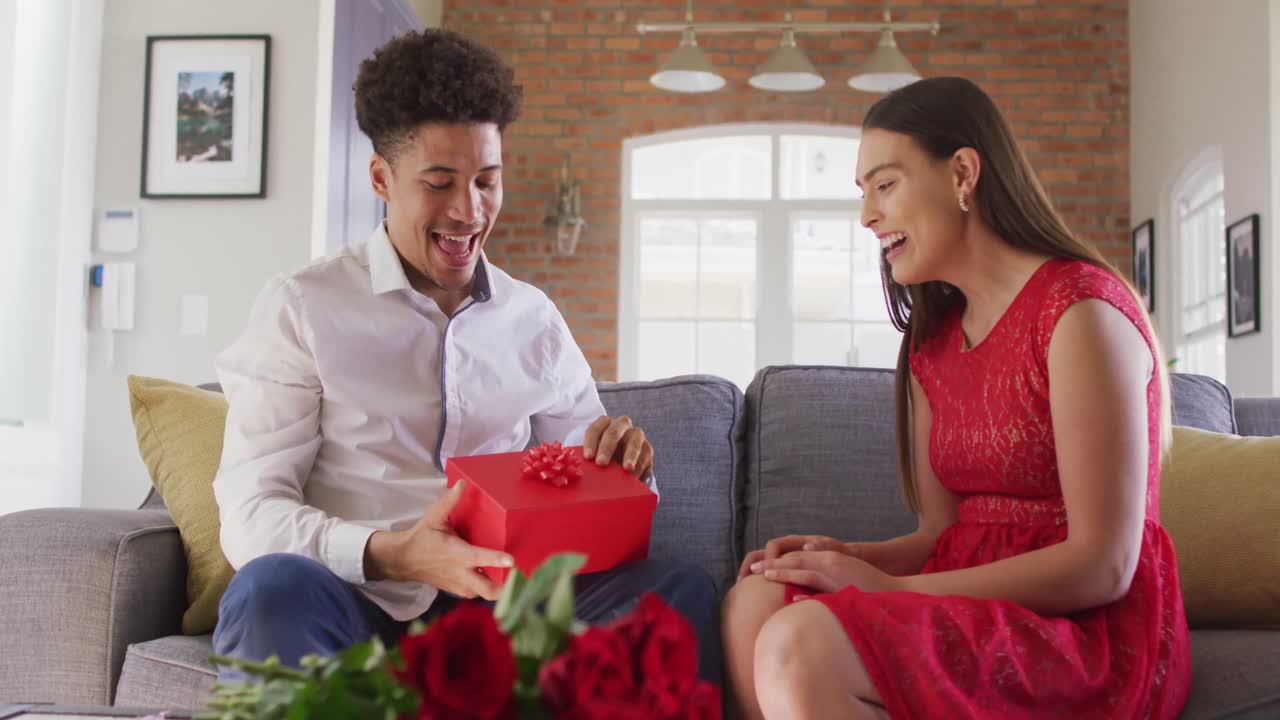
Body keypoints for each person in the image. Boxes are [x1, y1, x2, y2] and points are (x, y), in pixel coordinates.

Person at [210, 29, 720, 686]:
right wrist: (397, 555)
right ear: (381, 180)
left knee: (674, 593)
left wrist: (622, 473)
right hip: (360, 601)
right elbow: (251, 515)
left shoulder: (532, 318)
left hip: (503, 611)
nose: (468, 210)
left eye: (486, 180)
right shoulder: (302, 307)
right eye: (440, 182)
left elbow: (596, 495)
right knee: (268, 589)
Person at [721, 76, 1190, 719]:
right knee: (754, 600)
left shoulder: (1079, 313)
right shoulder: (932, 341)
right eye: (864, 194)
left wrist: (889, 587)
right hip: (961, 596)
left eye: (885, 185)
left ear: (963, 173)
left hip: (1081, 627)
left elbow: (1102, 566)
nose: (867, 217)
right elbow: (942, 533)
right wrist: (843, 558)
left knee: (798, 644)